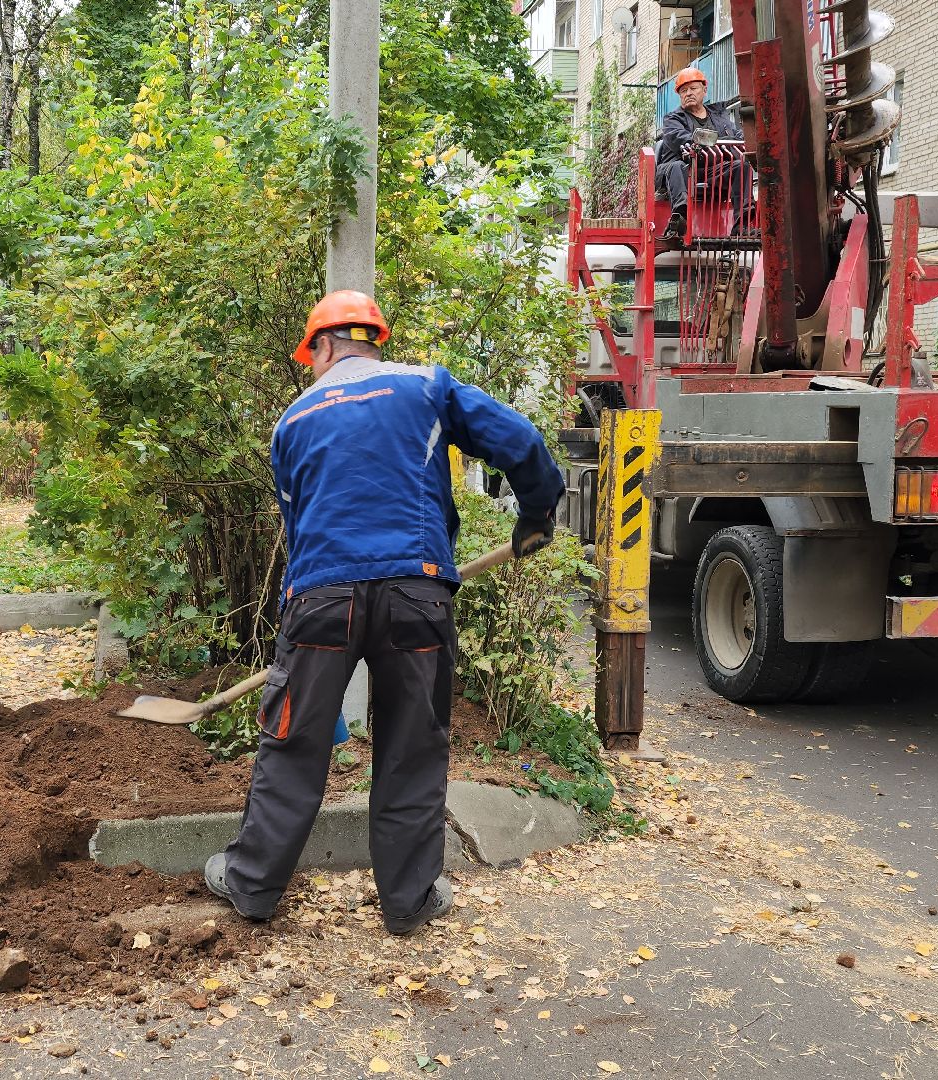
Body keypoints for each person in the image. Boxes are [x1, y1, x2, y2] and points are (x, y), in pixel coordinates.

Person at [203, 291, 565, 935]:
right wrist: (536, 513)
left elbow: (299, 530)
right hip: (416, 593)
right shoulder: (427, 386)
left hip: (320, 601)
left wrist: (305, 679)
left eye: (309, 355)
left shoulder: (291, 422)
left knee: (290, 747)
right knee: (410, 749)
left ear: (321, 346)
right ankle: (409, 903)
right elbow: (523, 442)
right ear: (373, 338)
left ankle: (252, 887)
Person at [655, 67, 749, 243]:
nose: (688, 93)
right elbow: (680, 139)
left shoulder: (719, 116)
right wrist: (706, 143)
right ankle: (679, 217)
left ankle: (743, 222)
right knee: (678, 166)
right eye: (683, 90)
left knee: (741, 166)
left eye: (693, 88)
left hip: (709, 169)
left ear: (704, 90)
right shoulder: (672, 120)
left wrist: (749, 138)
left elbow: (736, 136)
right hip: (680, 170)